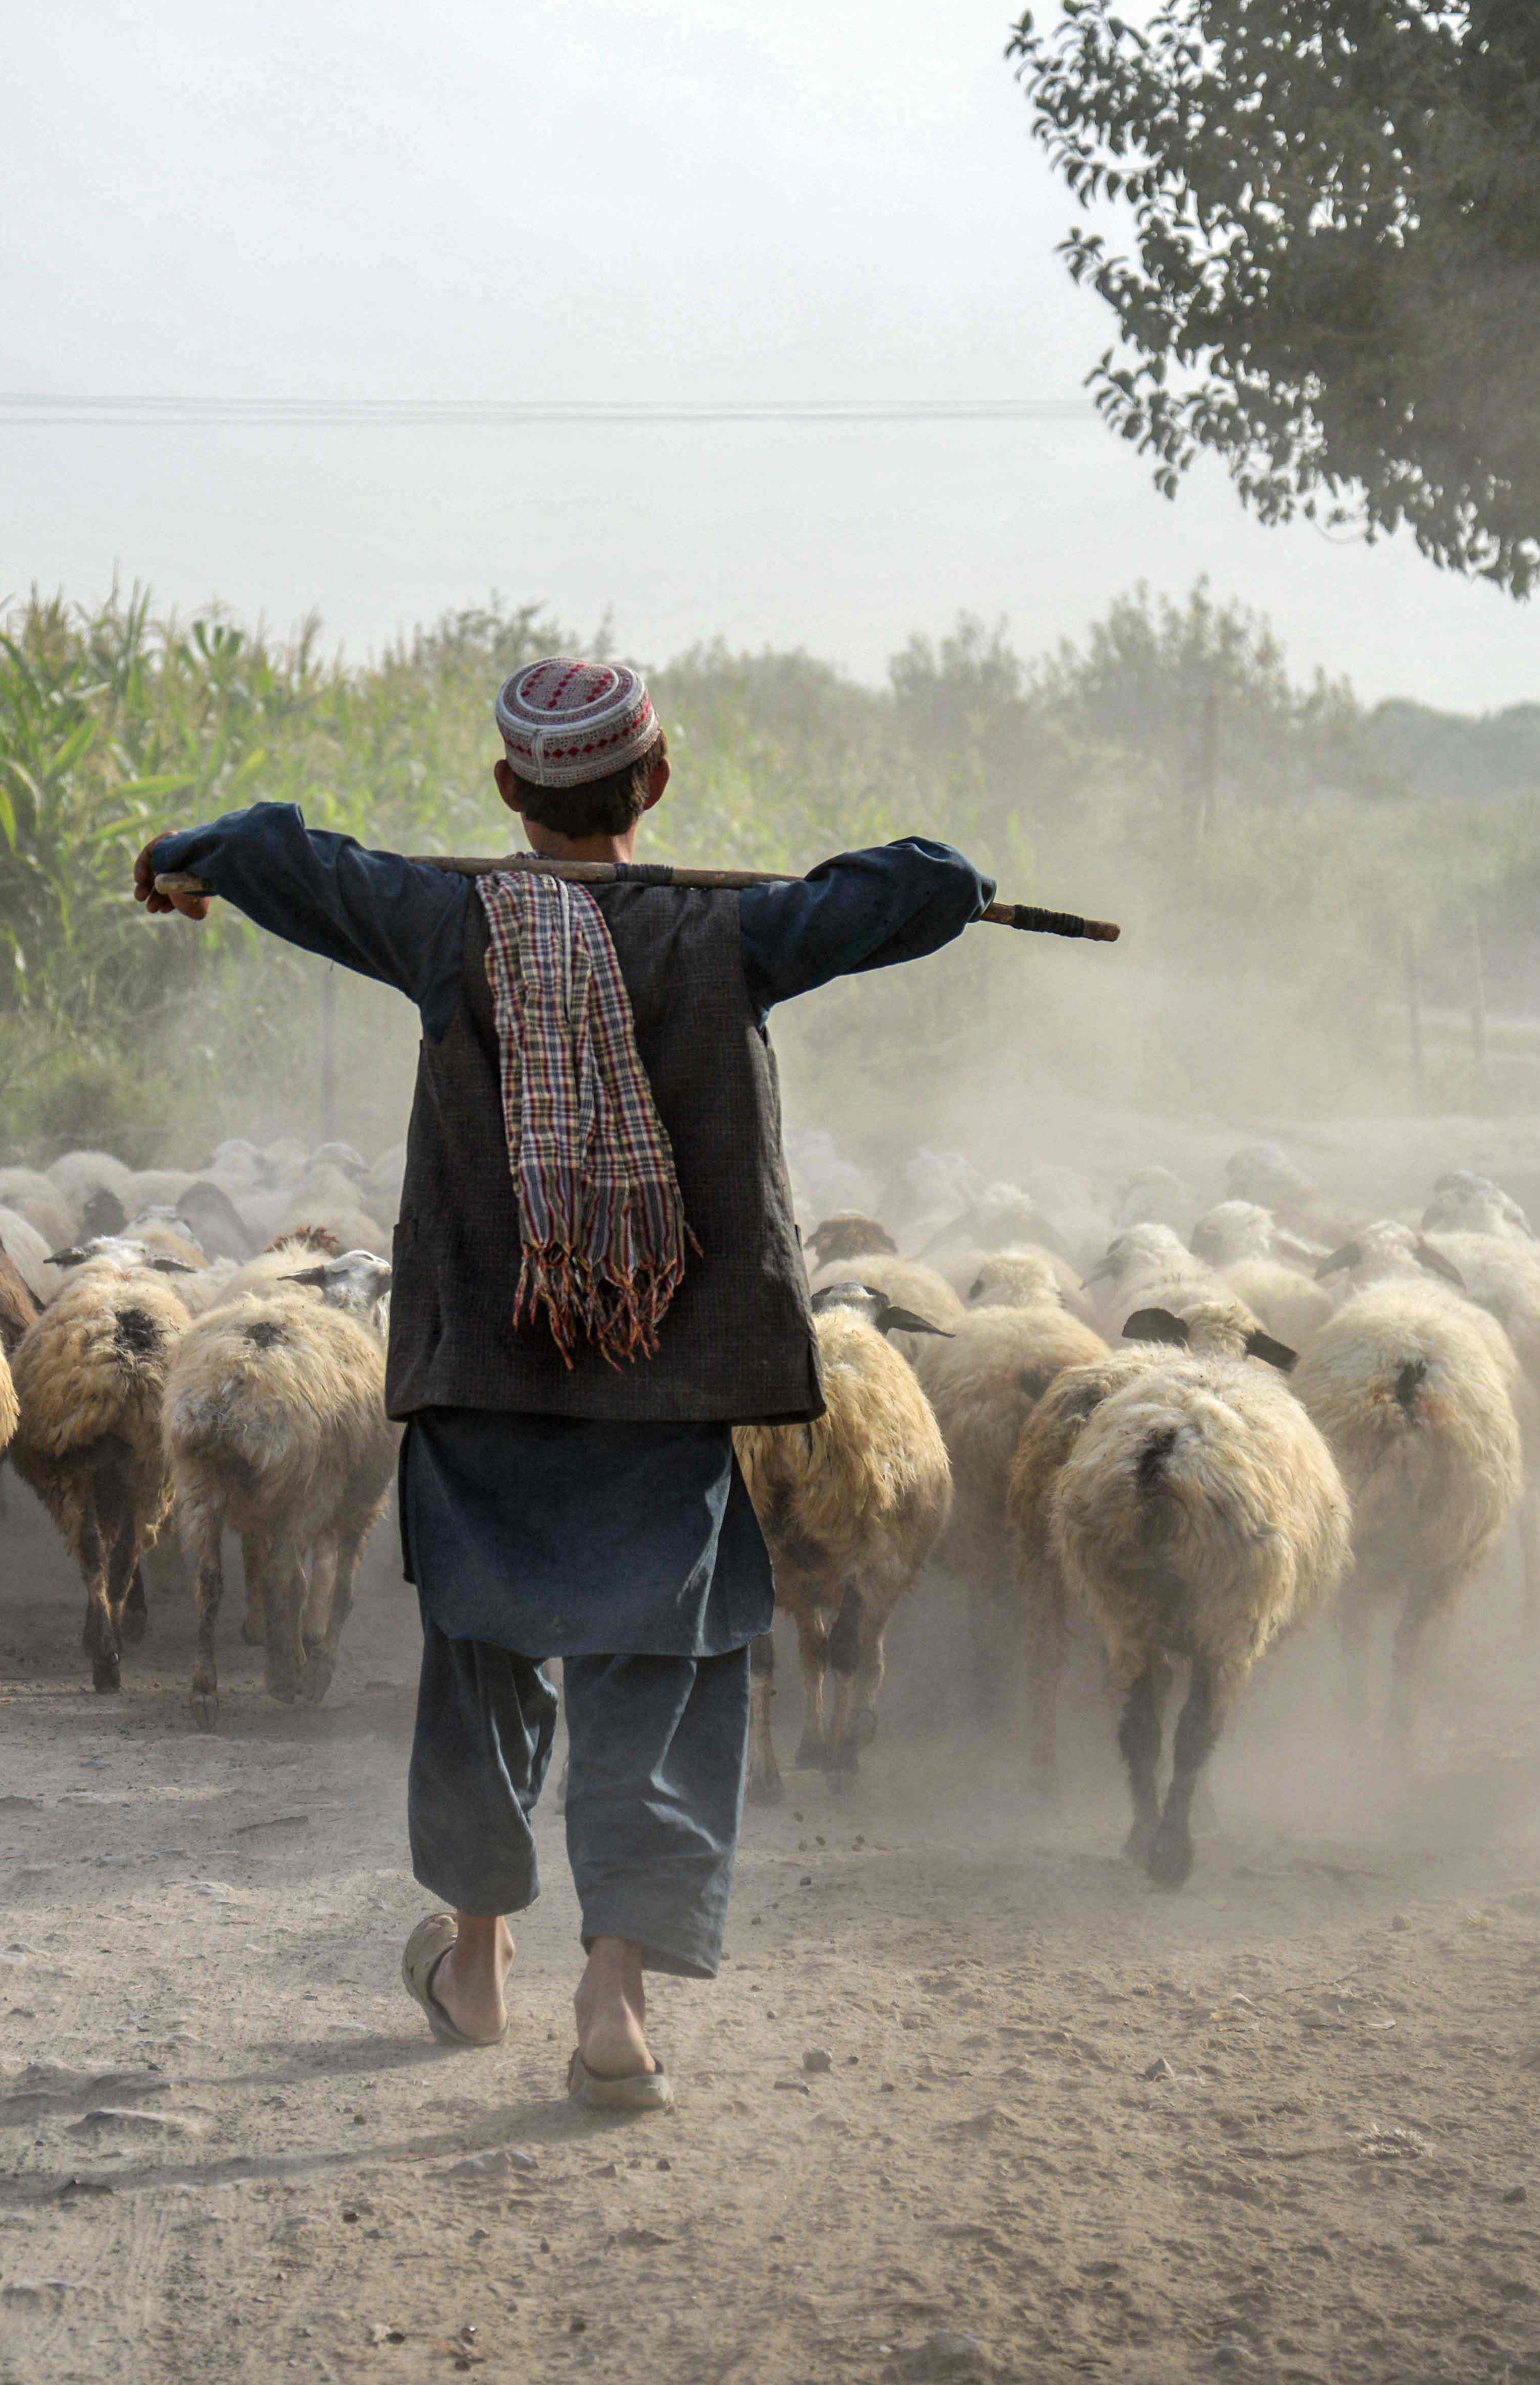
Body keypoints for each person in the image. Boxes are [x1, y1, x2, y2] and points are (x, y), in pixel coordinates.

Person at [133, 658, 988, 2111]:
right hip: (666, 1395)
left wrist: (186, 855)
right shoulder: (733, 935)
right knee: (658, 1676)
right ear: (656, 782)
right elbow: (929, 882)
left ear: (505, 791)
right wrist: (941, 885)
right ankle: (615, 2002)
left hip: (490, 1382)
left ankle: (475, 1966)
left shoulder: (445, 924)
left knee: (481, 1665)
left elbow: (283, 855)